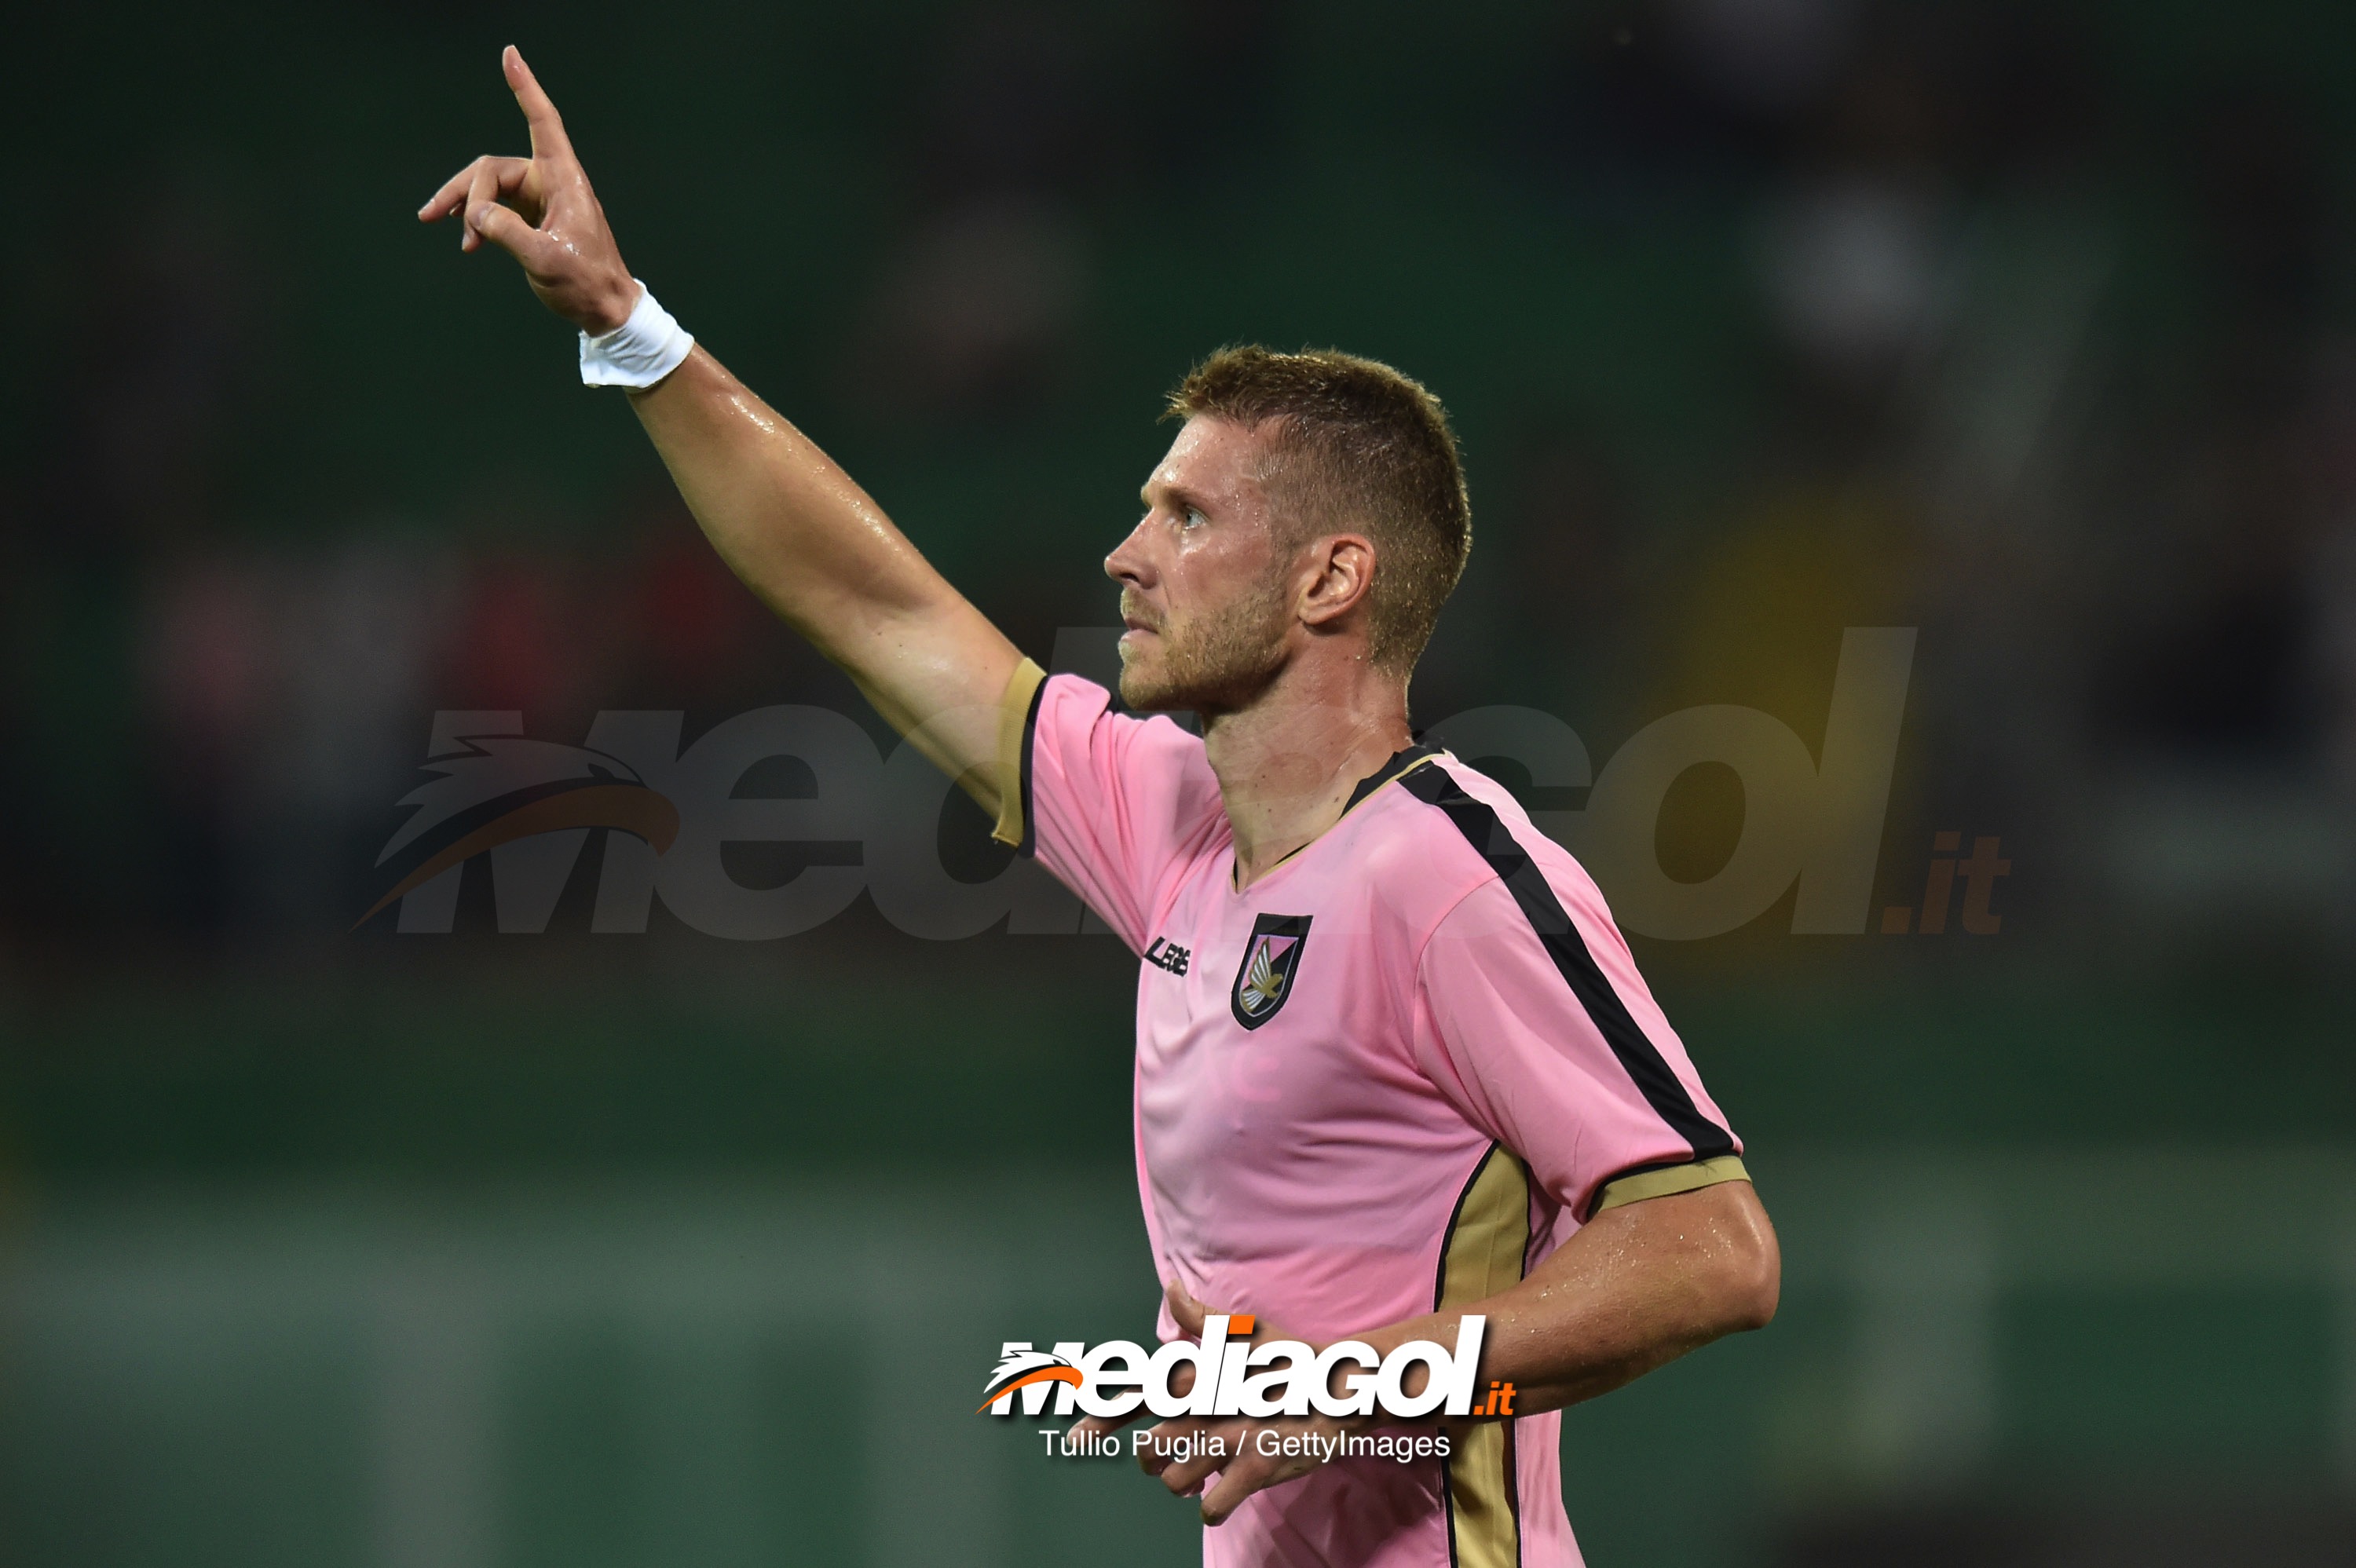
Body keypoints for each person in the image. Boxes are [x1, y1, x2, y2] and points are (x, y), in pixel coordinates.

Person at [422, 46, 1780, 1568]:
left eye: (1186, 516)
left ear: (1332, 578)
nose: (1127, 555)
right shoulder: (1168, 821)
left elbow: (1711, 1248)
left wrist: (1351, 1388)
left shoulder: (1448, 876)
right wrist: (630, 327)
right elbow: (877, 607)